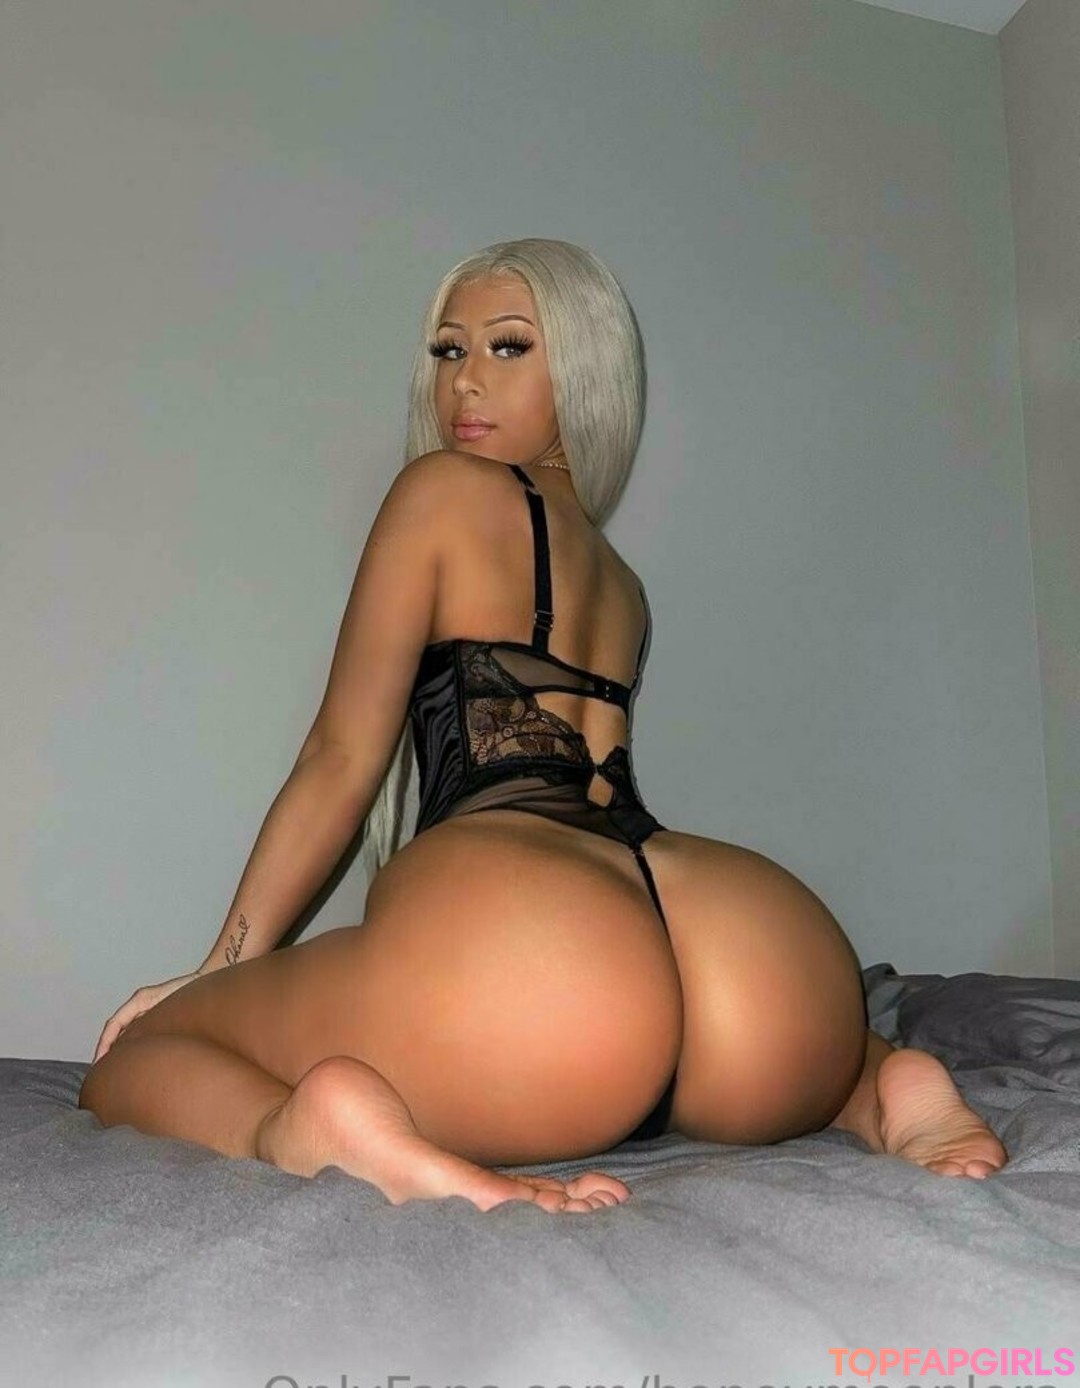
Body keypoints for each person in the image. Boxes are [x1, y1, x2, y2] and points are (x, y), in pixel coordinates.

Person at [79, 238, 1007, 1214]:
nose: (465, 380)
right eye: (449, 350)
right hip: (745, 942)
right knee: (798, 1051)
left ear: (586, 369)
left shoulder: (438, 491)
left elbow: (340, 759)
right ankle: (877, 1081)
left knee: (144, 1053)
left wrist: (215, 969)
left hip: (542, 950)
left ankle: (302, 1126)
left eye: (510, 346)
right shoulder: (623, 582)